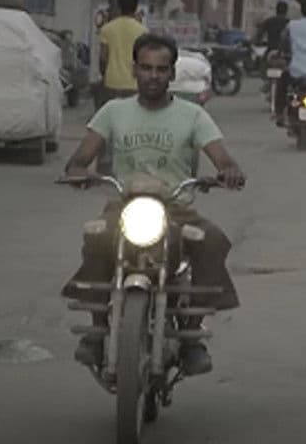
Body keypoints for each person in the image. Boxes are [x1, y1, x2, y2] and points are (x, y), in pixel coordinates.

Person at [61, 34, 246, 376]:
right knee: (96, 240)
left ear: (172, 73)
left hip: (176, 207)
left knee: (213, 240)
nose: (153, 76)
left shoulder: (193, 116)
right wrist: (77, 173)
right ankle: (97, 331)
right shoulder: (113, 112)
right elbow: (80, 158)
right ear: (134, 70)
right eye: (146, 68)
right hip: (124, 206)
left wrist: (228, 171)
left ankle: (191, 336)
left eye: (161, 69)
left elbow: (222, 158)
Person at [95, 0, 147, 174]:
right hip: (134, 85)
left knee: (107, 126)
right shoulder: (142, 31)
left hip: (111, 82)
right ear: (136, 7)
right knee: (133, 127)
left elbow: (103, 58)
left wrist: (105, 74)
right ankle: (130, 165)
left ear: (118, 5)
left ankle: (104, 164)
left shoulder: (108, 29)